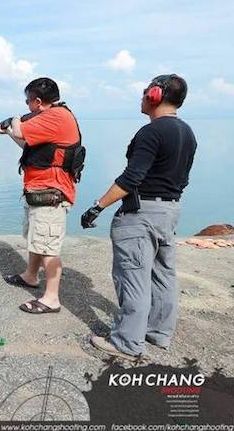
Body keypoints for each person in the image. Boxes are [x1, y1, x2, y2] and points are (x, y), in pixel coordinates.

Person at [81, 74, 197, 361]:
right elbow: (182, 178)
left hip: (141, 214)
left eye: (145, 92)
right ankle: (158, 332)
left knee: (133, 277)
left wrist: (98, 206)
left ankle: (127, 343)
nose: (142, 96)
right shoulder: (187, 132)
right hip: (169, 210)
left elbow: (132, 177)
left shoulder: (151, 132)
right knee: (163, 275)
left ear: (155, 95)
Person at [0, 77, 84, 314]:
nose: (26, 107)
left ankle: (51, 299)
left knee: (48, 247)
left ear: (36, 101)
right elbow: (28, 146)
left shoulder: (56, 116)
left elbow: (21, 127)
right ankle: (30, 276)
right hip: (39, 190)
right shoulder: (51, 118)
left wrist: (13, 122)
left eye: (27, 102)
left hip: (51, 193)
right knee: (37, 238)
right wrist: (8, 133)